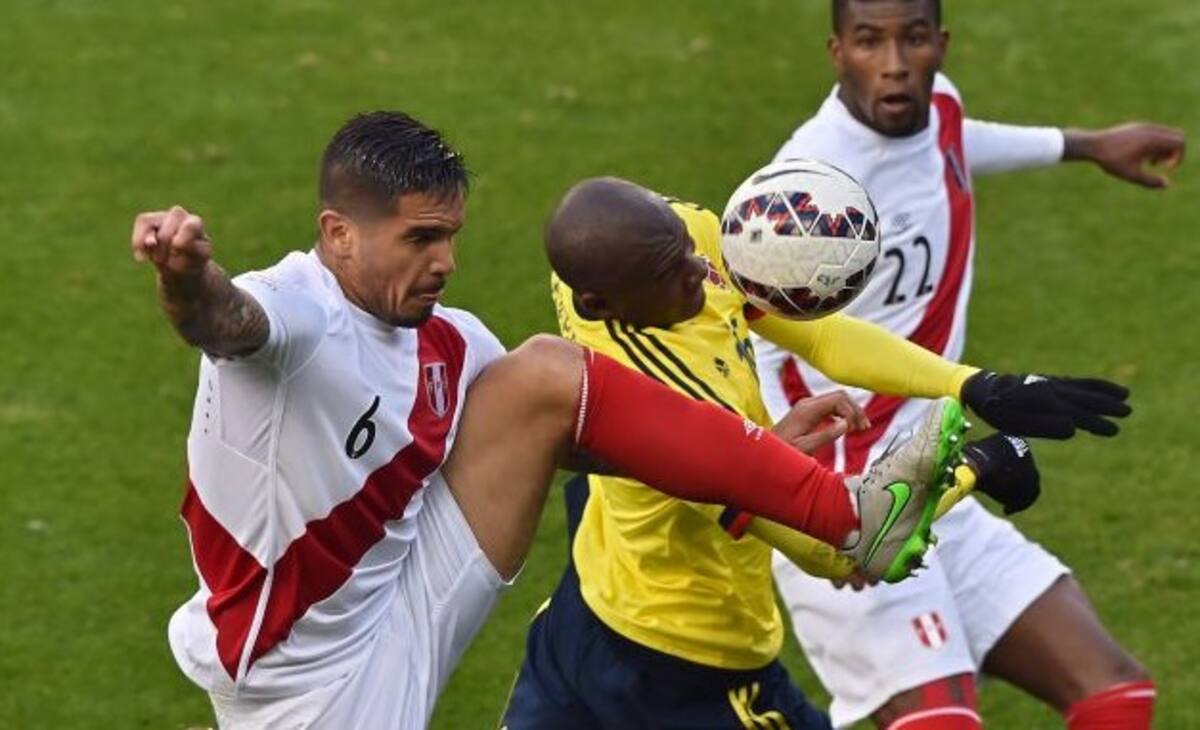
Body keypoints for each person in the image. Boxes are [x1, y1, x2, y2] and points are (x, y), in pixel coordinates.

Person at [133, 111, 967, 730]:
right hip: (302, 673)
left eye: (451, 236)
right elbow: (226, 324)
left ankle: (850, 516)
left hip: (407, 585)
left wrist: (761, 460)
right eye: (421, 239)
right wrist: (184, 279)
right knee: (544, 379)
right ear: (338, 234)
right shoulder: (295, 315)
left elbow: (583, 438)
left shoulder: (451, 342)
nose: (446, 264)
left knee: (544, 379)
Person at [499, 177, 1127, 729]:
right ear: (600, 306)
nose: (700, 269)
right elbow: (844, 550)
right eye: (672, 272)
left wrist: (974, 385)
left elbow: (818, 331)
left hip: (582, 617)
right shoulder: (670, 412)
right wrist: (980, 465)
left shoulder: (637, 252)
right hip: (690, 662)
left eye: (688, 250)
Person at [753, 1, 1186, 728]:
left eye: (913, 40)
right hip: (848, 495)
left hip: (941, 475)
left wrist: (1087, 144)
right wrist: (819, 517)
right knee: (941, 721)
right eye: (870, 42)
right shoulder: (805, 188)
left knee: (1115, 695)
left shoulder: (938, 107)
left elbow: (953, 143)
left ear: (940, 45)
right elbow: (753, 342)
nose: (894, 63)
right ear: (838, 51)